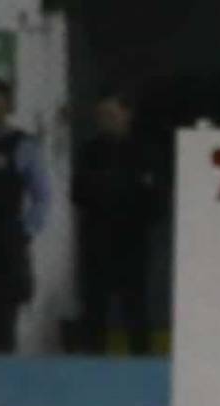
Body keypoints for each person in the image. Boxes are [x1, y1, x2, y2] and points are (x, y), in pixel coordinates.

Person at [71, 90, 160, 355]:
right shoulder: (91, 151)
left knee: (134, 300)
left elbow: (156, 199)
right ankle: (93, 352)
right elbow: (78, 193)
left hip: (132, 236)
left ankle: (141, 354)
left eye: (111, 114)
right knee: (94, 300)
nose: (106, 120)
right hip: (97, 233)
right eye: (101, 116)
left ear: (126, 114)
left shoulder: (144, 152)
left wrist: (134, 208)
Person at [0, 77, 50, 353]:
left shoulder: (22, 145)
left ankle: (2, 358)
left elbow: (41, 195)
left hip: (6, 233)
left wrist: (26, 230)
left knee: (4, 307)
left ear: (8, 105)